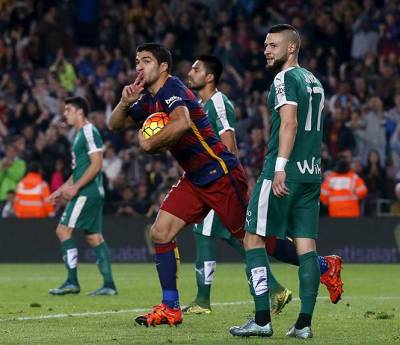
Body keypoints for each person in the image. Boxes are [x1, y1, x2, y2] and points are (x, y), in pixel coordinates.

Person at [109, 43, 249, 327]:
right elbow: (114, 125)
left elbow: (182, 122)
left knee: (253, 240)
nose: (139, 66)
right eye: (137, 61)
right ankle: (170, 306)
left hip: (220, 172)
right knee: (160, 232)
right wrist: (124, 102)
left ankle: (321, 265)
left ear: (162, 67)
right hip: (195, 179)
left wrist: (149, 143)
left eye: (146, 61)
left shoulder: (172, 88)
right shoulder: (150, 99)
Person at [229, 24, 326, 339]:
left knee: (253, 239)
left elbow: (289, 123)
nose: (266, 50)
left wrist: (281, 167)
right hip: (311, 173)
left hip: (283, 172)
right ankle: (303, 325)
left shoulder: (284, 78)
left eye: (272, 45)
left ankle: (261, 320)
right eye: (266, 44)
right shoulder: (314, 81)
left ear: (291, 47)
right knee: (306, 247)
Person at [184, 54, 290, 315]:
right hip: (211, 177)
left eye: (196, 69)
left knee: (204, 232)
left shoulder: (218, 102)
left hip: (218, 180)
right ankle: (277, 289)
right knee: (237, 237)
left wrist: (218, 178)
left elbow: (228, 142)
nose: (190, 72)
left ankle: (202, 301)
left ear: (209, 77)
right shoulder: (200, 104)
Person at [48, 97, 117, 296]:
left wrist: (76, 188)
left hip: (87, 192)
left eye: (68, 109)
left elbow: (97, 164)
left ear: (80, 111)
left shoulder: (88, 131)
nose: (65, 113)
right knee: (94, 237)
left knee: (63, 230)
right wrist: (61, 190)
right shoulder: (79, 134)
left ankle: (72, 282)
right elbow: (80, 169)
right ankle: (109, 285)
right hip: (91, 191)